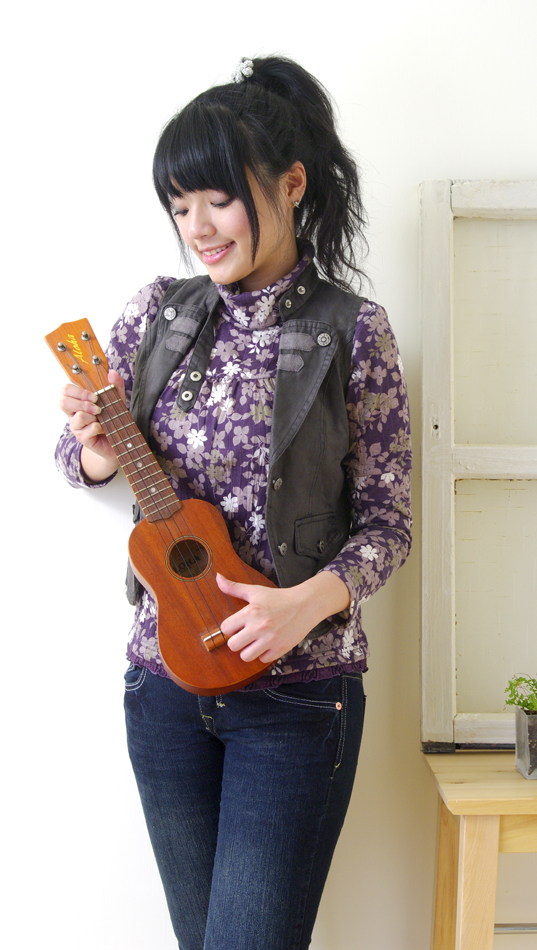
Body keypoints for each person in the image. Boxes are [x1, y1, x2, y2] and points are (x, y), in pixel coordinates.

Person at [56, 55, 411, 950]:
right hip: (162, 688)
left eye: (217, 200)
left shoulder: (351, 333)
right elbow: (76, 459)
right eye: (180, 207)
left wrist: (305, 604)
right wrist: (94, 447)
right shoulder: (157, 313)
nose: (198, 230)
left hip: (297, 698)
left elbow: (389, 523)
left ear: (290, 185)